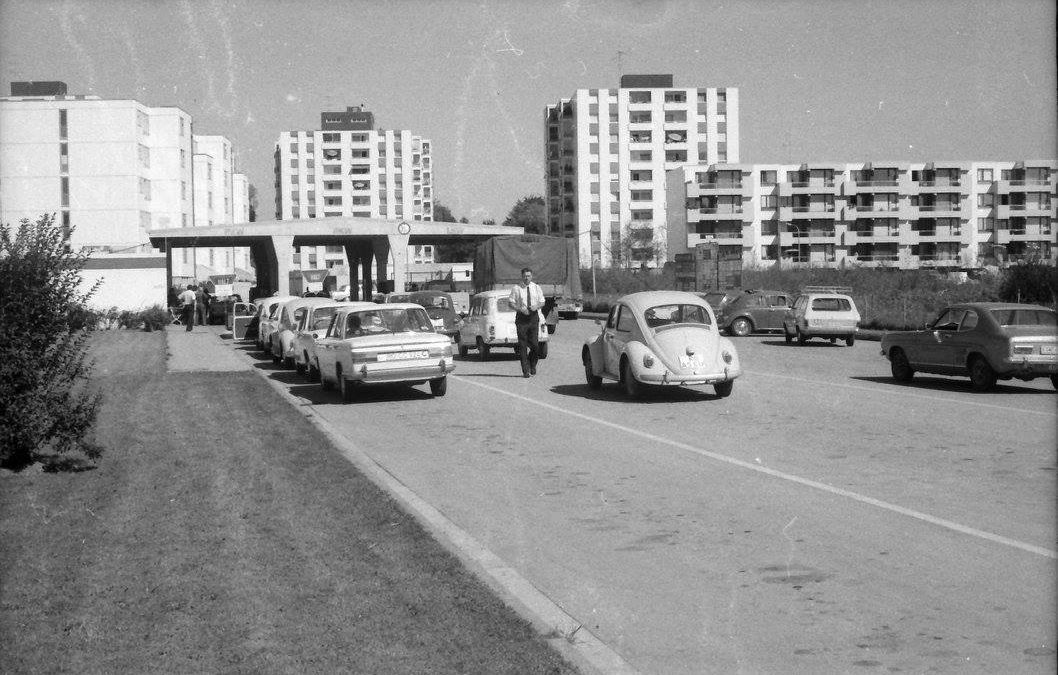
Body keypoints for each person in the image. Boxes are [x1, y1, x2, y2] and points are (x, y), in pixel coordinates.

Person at [509, 267, 543, 378]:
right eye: (524, 276)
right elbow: (511, 303)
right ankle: (525, 370)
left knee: (535, 345)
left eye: (528, 276)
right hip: (522, 318)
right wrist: (519, 308)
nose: (526, 278)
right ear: (522, 276)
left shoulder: (536, 287)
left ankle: (532, 364)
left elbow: (542, 301)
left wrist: (536, 306)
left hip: (533, 317)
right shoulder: (516, 288)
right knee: (522, 345)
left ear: (531, 276)